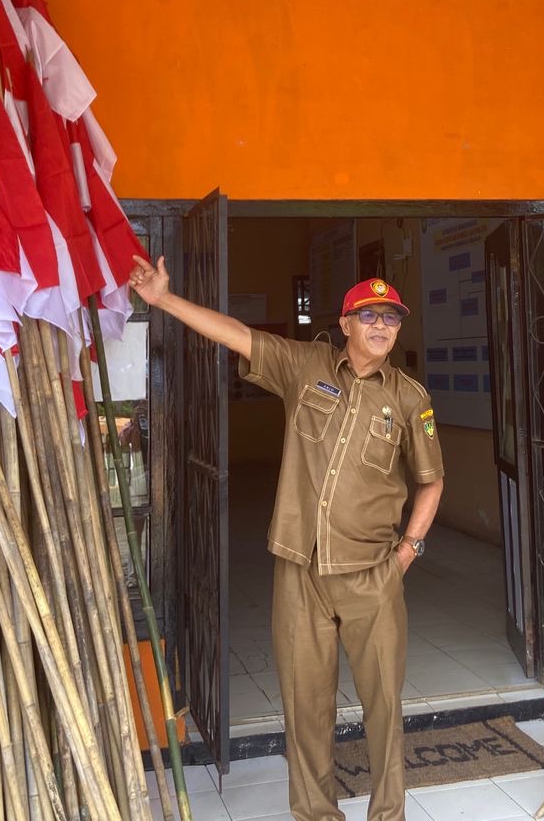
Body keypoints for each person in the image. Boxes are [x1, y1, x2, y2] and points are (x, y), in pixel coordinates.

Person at [128, 256, 444, 821]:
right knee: (306, 708)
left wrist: (407, 551)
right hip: (300, 570)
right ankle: (316, 814)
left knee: (383, 707)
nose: (381, 325)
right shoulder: (305, 365)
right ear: (345, 323)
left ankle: (388, 814)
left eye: (391, 317)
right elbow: (236, 334)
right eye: (368, 315)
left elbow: (431, 480)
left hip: (373, 573)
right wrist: (164, 300)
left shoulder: (409, 399)